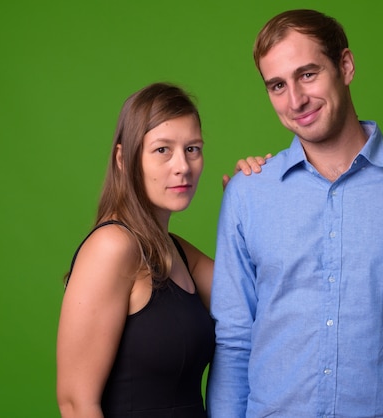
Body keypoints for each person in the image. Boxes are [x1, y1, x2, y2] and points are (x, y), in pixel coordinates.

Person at [207, 9, 383, 418]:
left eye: (308, 74)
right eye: (277, 85)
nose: (295, 100)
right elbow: (234, 340)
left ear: (346, 66)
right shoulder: (249, 194)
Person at [56, 82, 265, 418]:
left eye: (192, 149)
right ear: (124, 159)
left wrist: (251, 209)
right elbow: (75, 403)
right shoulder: (112, 248)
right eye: (162, 150)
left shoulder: (178, 251)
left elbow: (260, 301)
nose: (182, 166)